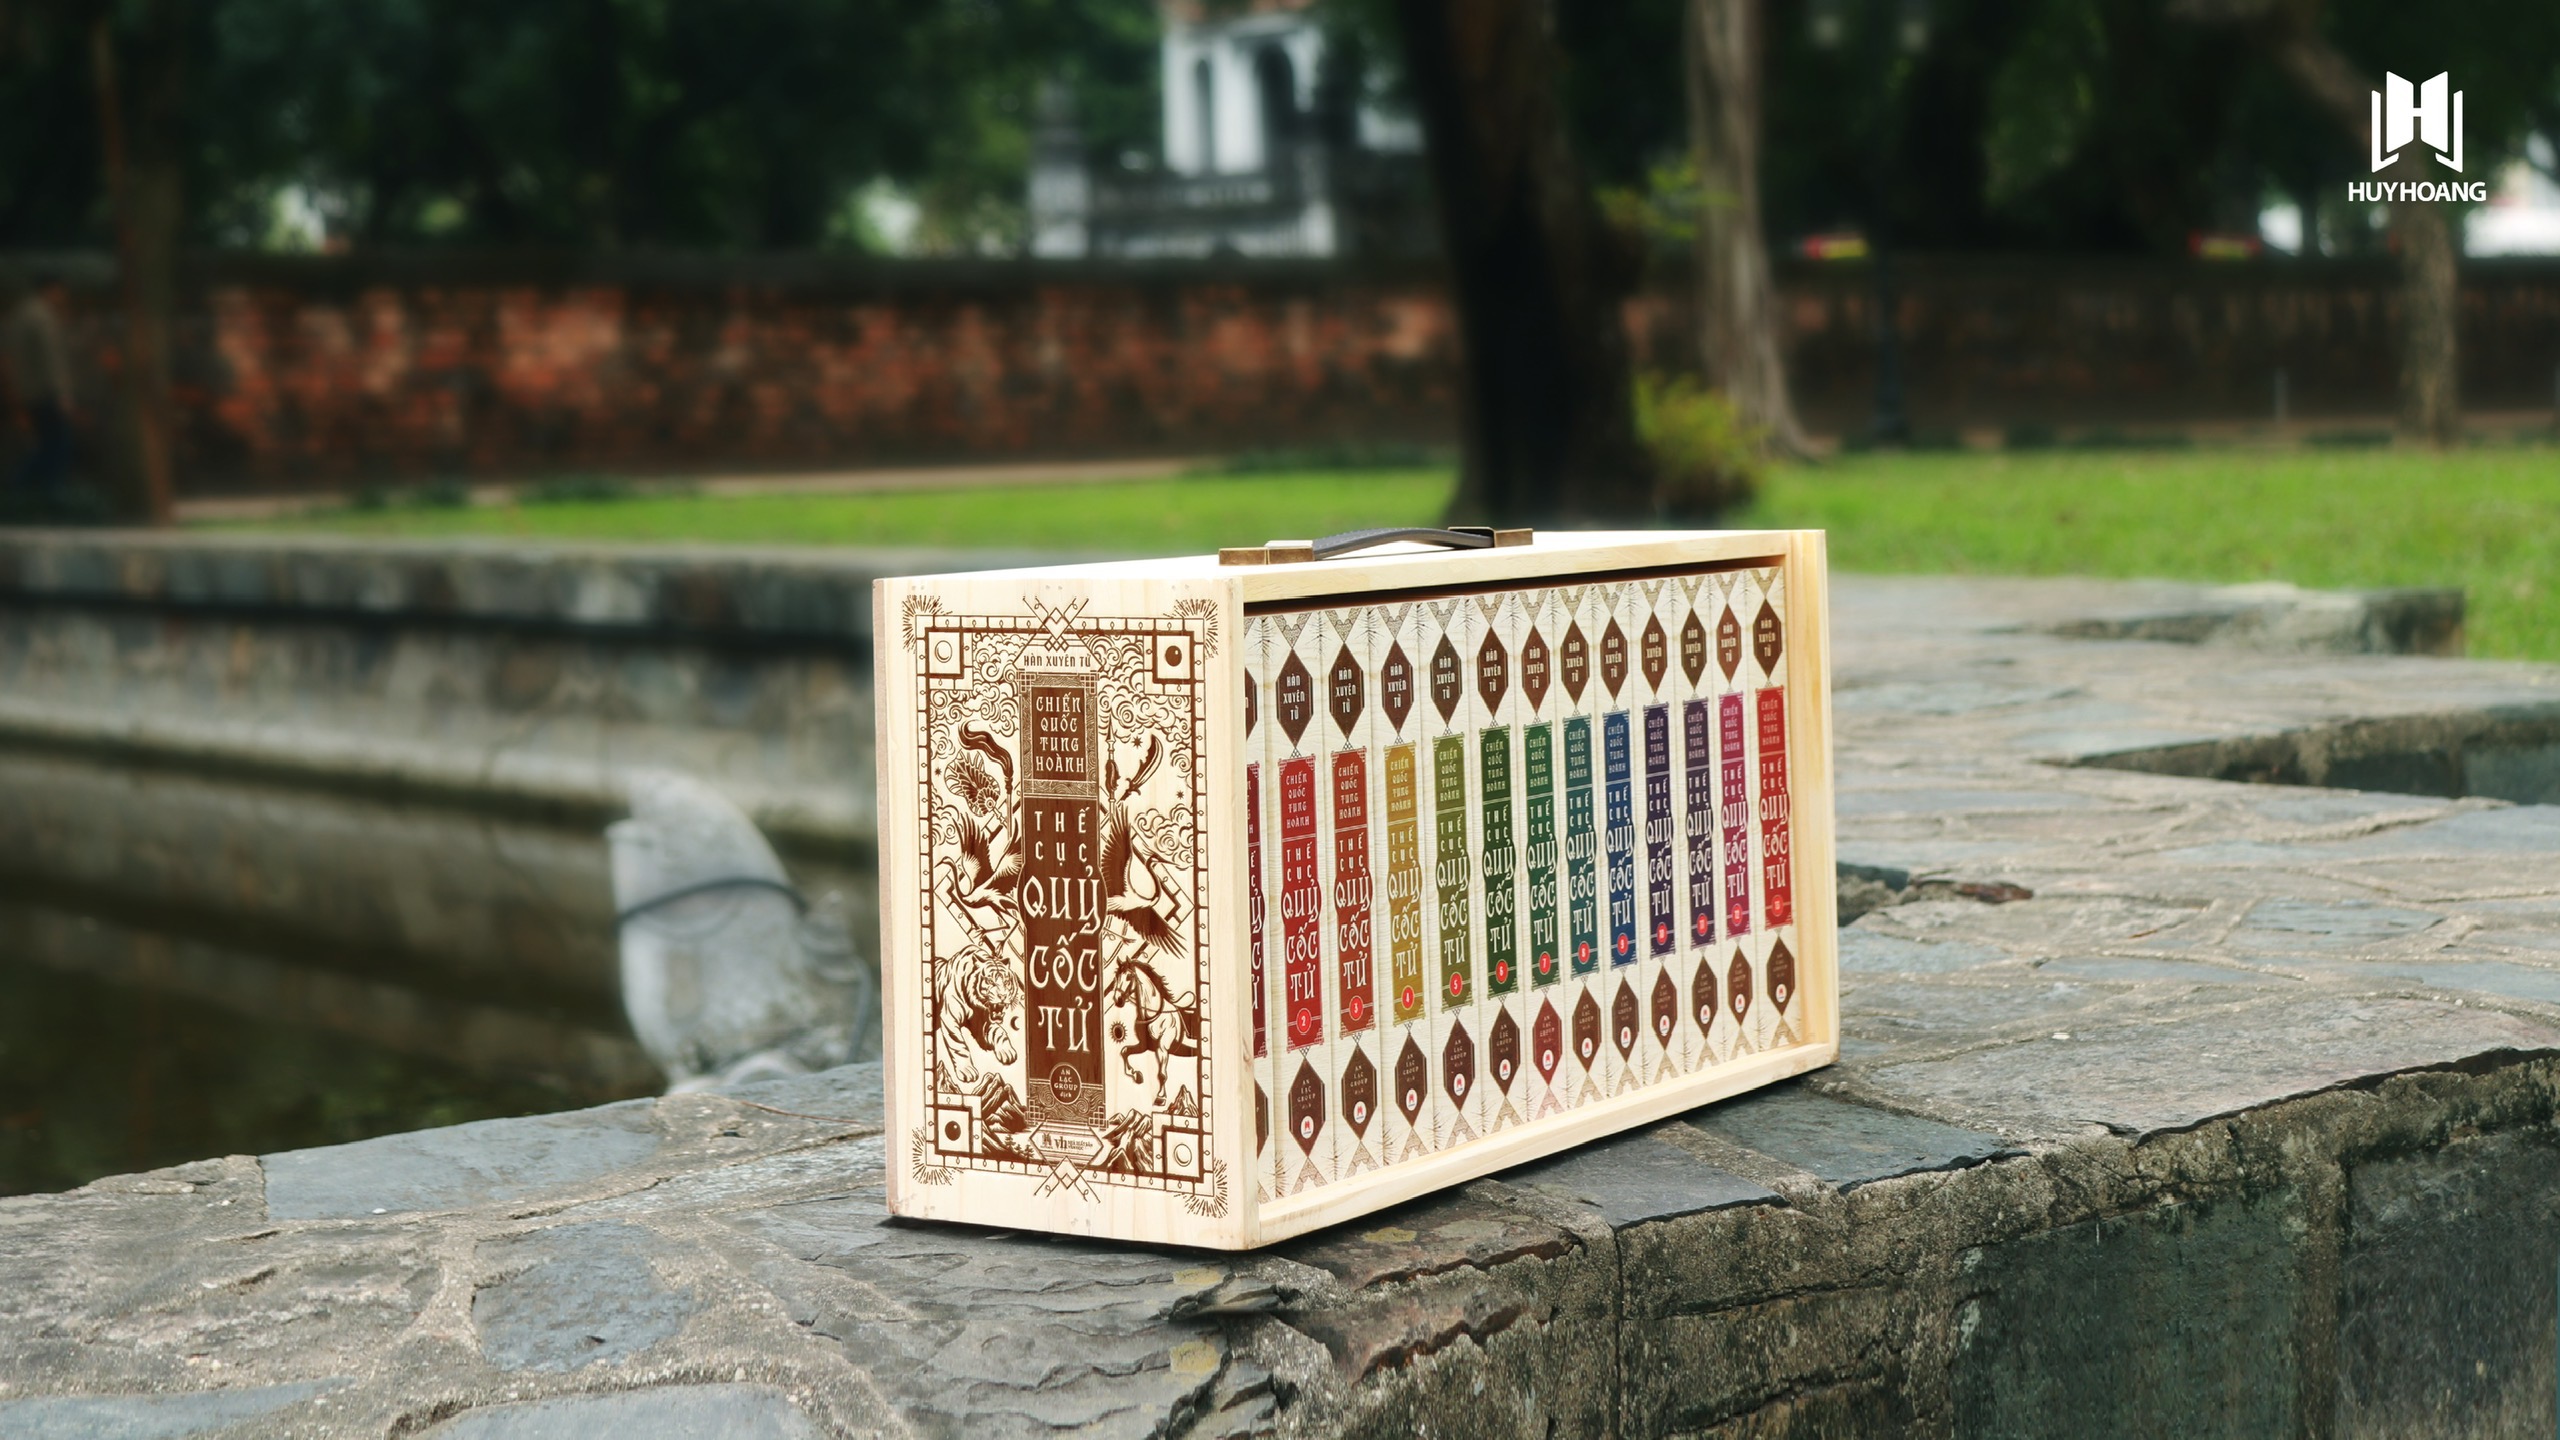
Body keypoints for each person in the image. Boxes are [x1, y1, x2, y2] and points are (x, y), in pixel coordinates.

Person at [1, 269, 75, 498]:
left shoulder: (20, 314)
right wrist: (62, 394)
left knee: (48, 442)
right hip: (45, 392)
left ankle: (25, 487)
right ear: (51, 290)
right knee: (58, 443)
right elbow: (50, 358)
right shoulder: (42, 316)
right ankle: (34, 487)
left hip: (27, 390)